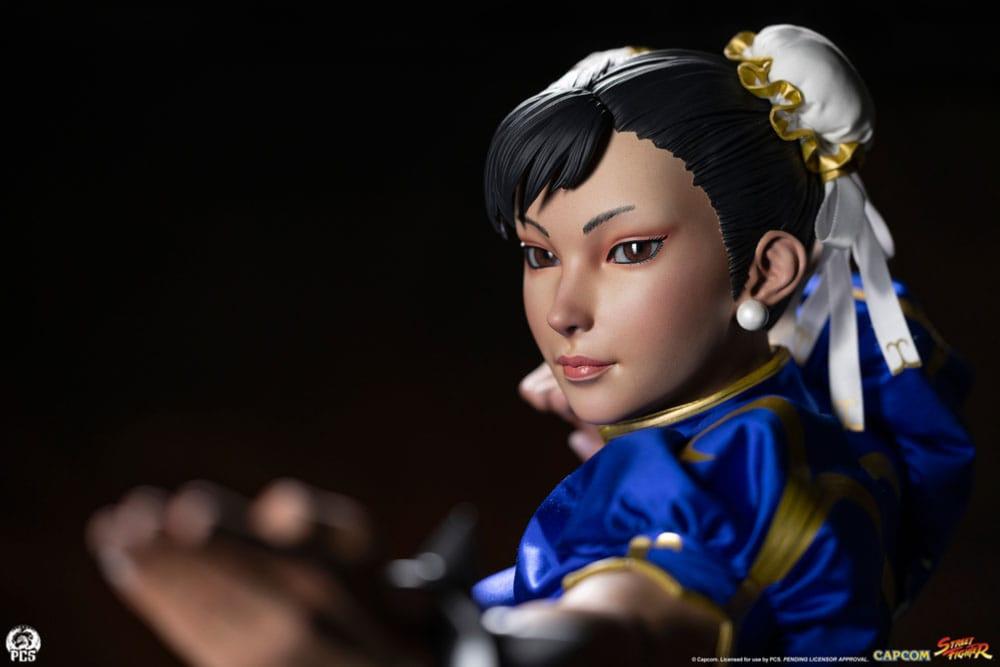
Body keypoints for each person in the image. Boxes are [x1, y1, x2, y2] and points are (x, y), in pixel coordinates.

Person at [85, 24, 975, 665]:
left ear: (768, 269)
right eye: (541, 254)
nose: (563, 309)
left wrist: (473, 646)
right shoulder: (786, 400)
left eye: (630, 250)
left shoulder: (749, 466)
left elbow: (640, 614)